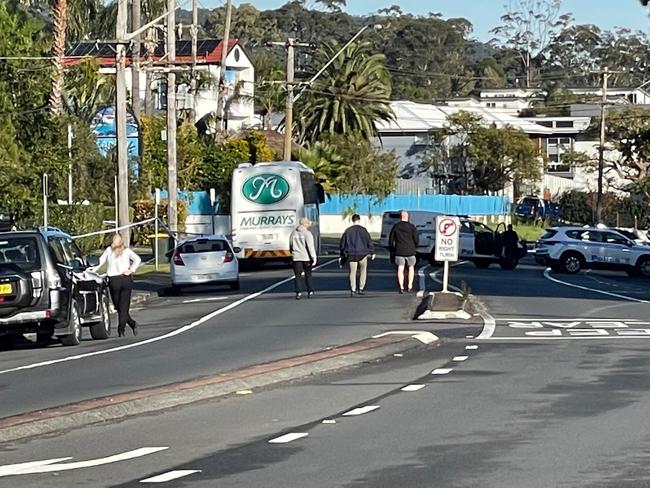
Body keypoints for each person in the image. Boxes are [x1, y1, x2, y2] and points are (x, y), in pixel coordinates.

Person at [92, 233, 141, 336]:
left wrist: (131, 270)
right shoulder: (109, 251)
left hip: (124, 279)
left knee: (123, 306)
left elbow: (137, 259)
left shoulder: (126, 251)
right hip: (114, 280)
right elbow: (100, 261)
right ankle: (132, 323)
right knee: (118, 306)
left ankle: (121, 329)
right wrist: (92, 270)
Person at [340, 214, 376, 296]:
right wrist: (372, 252)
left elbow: (343, 243)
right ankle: (361, 288)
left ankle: (353, 289)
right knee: (363, 271)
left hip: (351, 254)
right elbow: (369, 241)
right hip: (362, 253)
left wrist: (342, 254)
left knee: (352, 272)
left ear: (352, 220)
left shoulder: (348, 231)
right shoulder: (364, 230)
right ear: (359, 220)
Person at [389, 210, 418, 293]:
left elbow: (391, 240)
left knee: (400, 268)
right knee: (411, 268)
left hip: (399, 251)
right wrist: (415, 246)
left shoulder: (396, 227)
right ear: (407, 217)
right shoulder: (412, 227)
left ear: (400, 217)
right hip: (410, 251)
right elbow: (416, 239)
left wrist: (392, 249)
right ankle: (409, 286)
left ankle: (401, 287)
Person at [289, 218, 317, 300]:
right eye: (308, 223)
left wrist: (292, 253)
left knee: (297, 276)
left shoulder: (293, 233)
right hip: (306, 257)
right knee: (308, 274)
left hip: (296, 257)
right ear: (304, 224)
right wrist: (313, 257)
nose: (308, 225)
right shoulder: (307, 234)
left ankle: (298, 292)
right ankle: (310, 291)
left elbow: (290, 245)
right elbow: (310, 246)